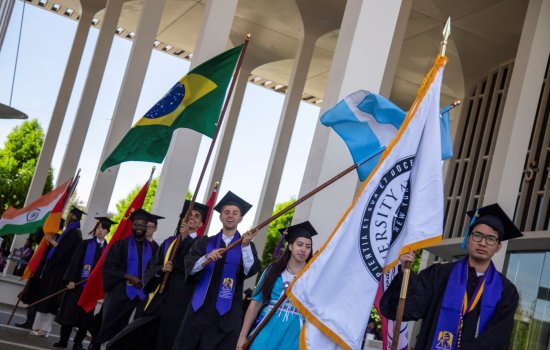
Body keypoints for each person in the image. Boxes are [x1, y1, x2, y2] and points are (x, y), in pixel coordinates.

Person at [380, 203, 522, 350]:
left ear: (498, 246)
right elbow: (410, 309)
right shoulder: (438, 274)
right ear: (468, 239)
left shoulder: (506, 291)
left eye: (491, 238)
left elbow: (496, 338)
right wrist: (405, 272)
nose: (483, 243)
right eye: (477, 235)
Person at [107, 200, 209, 350]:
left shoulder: (203, 244)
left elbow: (191, 266)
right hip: (158, 299)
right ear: (182, 218)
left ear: (201, 224)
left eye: (197, 216)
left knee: (166, 342)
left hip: (180, 302)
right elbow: (151, 267)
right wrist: (161, 270)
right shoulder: (169, 242)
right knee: (137, 337)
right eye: (189, 214)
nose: (192, 217)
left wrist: (186, 238)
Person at [173, 191, 261, 350]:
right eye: (226, 212)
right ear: (220, 216)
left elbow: (250, 270)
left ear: (240, 218)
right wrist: (206, 258)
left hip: (227, 313)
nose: (230, 216)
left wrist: (245, 245)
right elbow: (190, 266)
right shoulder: (205, 243)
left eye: (235, 213)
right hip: (198, 309)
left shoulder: (246, 245)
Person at [237, 221, 317, 350]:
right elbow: (255, 304)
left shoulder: (313, 276)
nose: (304, 249)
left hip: (295, 333)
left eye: (308, 247)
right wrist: (242, 336)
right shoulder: (273, 271)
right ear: (290, 246)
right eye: (299, 244)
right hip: (266, 328)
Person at [93, 208, 158, 348]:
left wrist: (146, 281)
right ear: (132, 225)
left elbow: (155, 269)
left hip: (141, 294)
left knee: (131, 331)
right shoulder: (121, 244)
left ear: (147, 227)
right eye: (136, 224)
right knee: (110, 325)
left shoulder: (153, 248)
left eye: (142, 225)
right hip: (119, 292)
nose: (139, 228)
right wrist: (130, 277)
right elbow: (109, 267)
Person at [53, 217, 113, 349]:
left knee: (85, 318)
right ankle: (63, 340)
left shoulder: (108, 250)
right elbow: (75, 262)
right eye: (98, 228)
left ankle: (78, 343)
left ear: (107, 231)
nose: (99, 231)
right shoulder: (85, 244)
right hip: (77, 286)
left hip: (91, 290)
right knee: (69, 314)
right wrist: (71, 280)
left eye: (103, 229)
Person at [29, 207, 84, 337]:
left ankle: (43, 329)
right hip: (54, 271)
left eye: (70, 215)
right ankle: (38, 327)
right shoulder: (71, 232)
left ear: (72, 217)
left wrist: (51, 241)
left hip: (58, 272)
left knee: (50, 300)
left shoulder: (73, 233)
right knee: (45, 298)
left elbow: (65, 252)